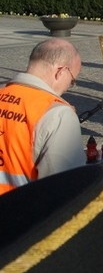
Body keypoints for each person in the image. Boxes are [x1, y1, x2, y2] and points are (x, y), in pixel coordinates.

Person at [0, 39, 84, 195]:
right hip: (21, 214)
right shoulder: (58, 114)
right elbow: (62, 188)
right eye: (72, 81)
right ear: (61, 71)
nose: (69, 87)